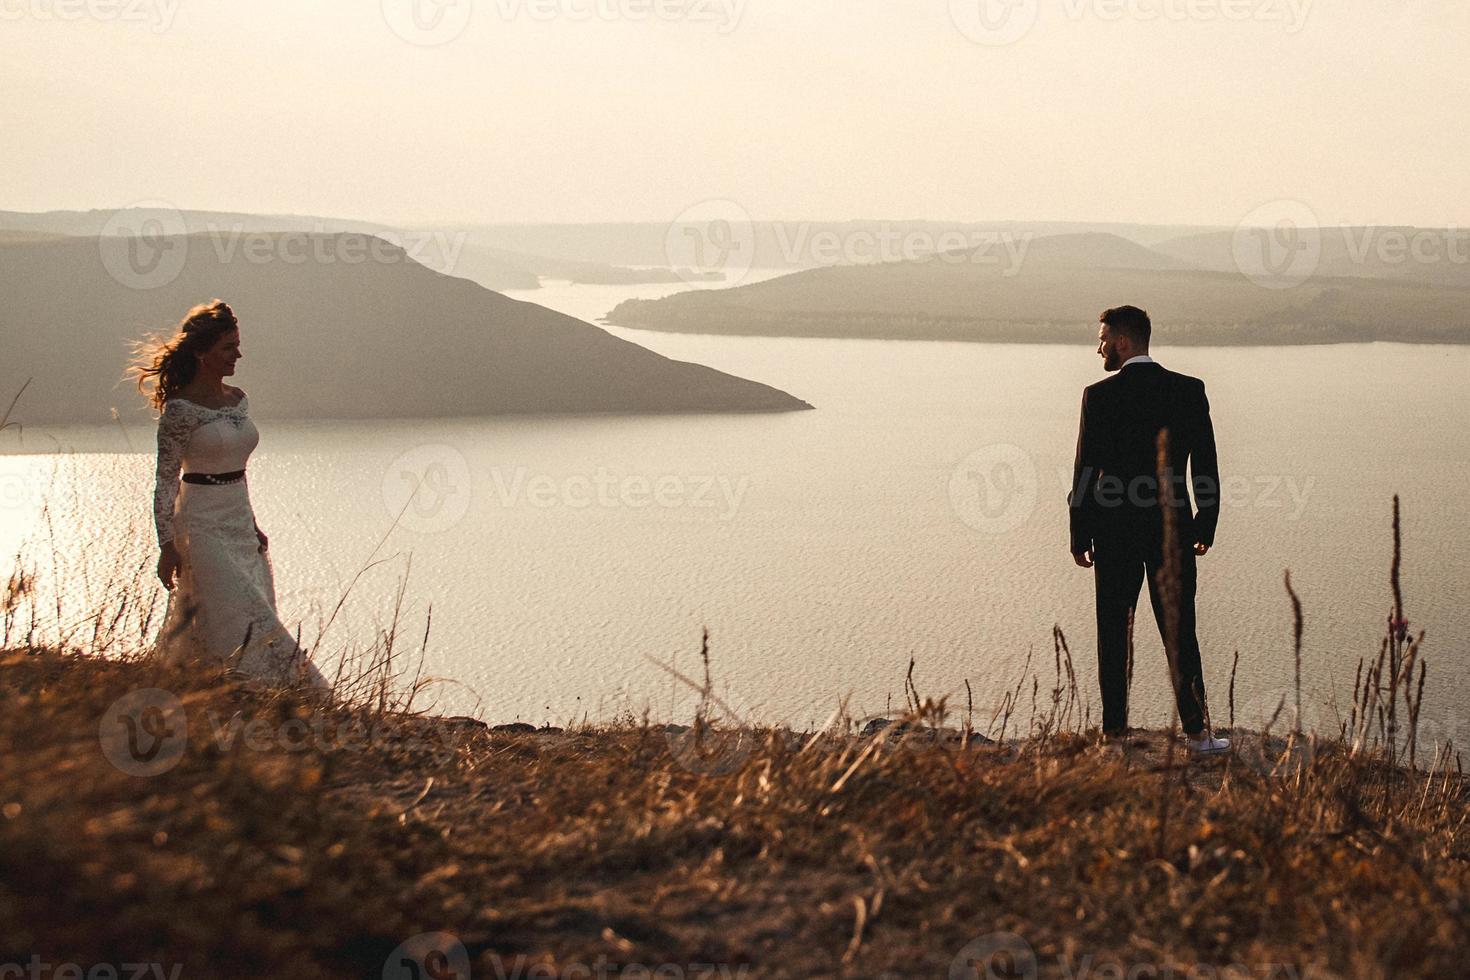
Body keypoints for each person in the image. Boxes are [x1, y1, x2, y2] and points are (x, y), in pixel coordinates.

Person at [133, 300, 328, 689]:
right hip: (201, 523)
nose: (237, 354)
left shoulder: (239, 399)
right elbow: (166, 481)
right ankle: (287, 687)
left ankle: (220, 687)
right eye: (228, 346)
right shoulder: (180, 411)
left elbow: (239, 473)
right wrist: (167, 544)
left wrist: (253, 524)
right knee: (239, 607)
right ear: (202, 352)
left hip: (238, 519)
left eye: (237, 344)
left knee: (245, 606)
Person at [1067, 306, 1227, 754]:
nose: (1098, 347)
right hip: (1171, 531)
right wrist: (1205, 522)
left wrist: (1079, 534)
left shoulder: (1097, 396)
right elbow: (1206, 466)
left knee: (1113, 633)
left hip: (1112, 532)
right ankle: (1198, 735)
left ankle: (1113, 736)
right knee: (1180, 631)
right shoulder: (1188, 390)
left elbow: (1084, 472)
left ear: (1122, 342)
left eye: (1102, 339)